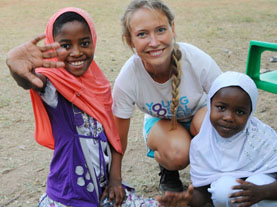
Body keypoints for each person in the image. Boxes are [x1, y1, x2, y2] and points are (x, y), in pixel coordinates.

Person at [6, 7, 158, 207]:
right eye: (65, 45)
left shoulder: (100, 86)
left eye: (84, 43)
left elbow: (113, 135)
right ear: (52, 45)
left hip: (103, 192)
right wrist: (14, 65)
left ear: (93, 41)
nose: (76, 52)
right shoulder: (53, 84)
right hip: (67, 197)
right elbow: (32, 82)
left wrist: (115, 180)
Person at [112, 0, 222, 193]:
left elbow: (227, 100)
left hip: (199, 113)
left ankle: (210, 176)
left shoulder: (196, 59)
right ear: (130, 40)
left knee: (212, 123)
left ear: (172, 28)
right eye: (142, 34)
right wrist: (114, 180)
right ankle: (168, 172)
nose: (154, 42)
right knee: (178, 152)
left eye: (161, 30)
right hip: (161, 123)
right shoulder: (129, 76)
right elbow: (118, 136)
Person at [157, 71, 277, 207]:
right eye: (221, 107)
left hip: (265, 192)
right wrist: (187, 200)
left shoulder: (264, 139)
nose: (228, 117)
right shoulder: (202, 144)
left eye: (240, 112)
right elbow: (203, 193)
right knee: (223, 189)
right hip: (228, 197)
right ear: (209, 105)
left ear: (250, 113)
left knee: (260, 181)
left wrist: (263, 192)